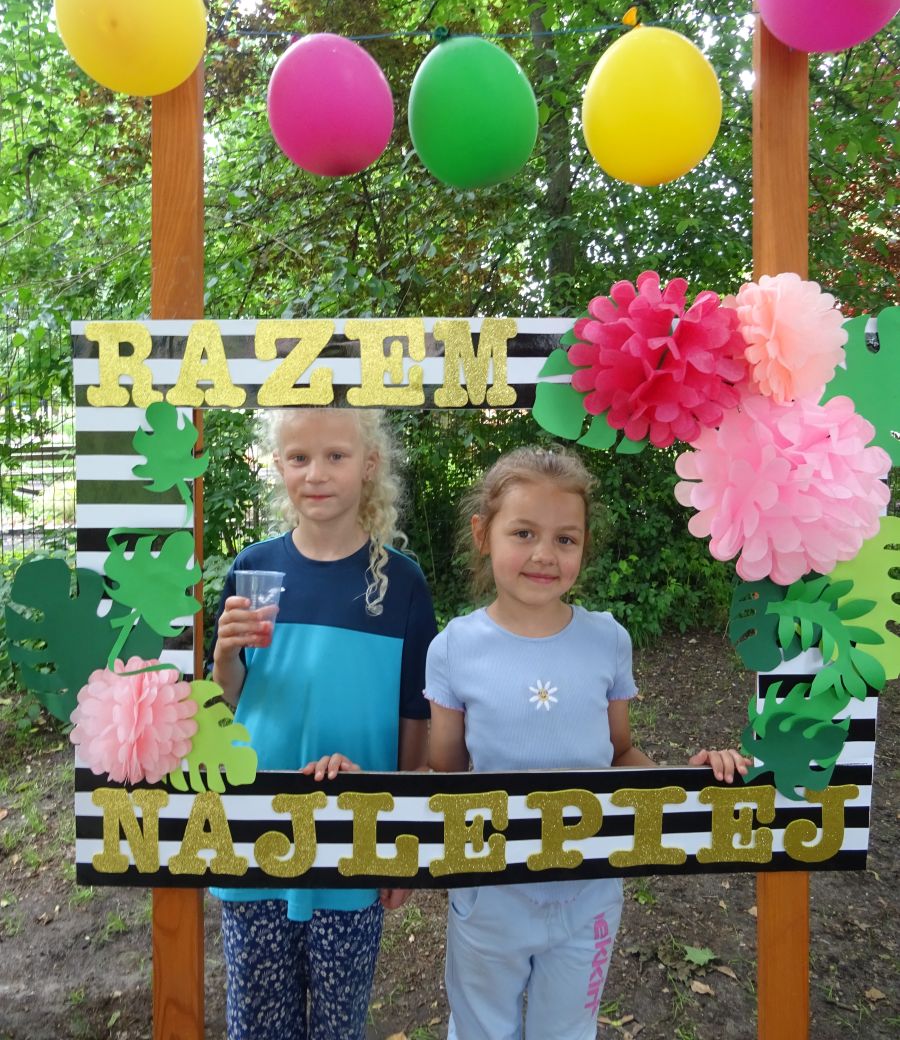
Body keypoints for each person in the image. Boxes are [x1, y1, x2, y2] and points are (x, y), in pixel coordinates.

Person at [426, 445, 748, 1040]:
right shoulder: (452, 647)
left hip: (589, 894)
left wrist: (691, 785)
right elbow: (445, 775)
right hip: (488, 894)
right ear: (482, 534)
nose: (544, 554)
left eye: (565, 539)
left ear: (584, 545)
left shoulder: (608, 640)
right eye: (524, 533)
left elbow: (620, 752)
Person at [210, 407, 436, 1040]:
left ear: (369, 465)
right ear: (278, 466)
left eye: (336, 455)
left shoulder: (401, 584)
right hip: (253, 830)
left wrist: (399, 842)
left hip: (353, 835)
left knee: (339, 1024)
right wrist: (225, 654)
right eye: (299, 457)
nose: (316, 473)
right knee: (257, 1024)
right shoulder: (253, 567)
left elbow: (414, 718)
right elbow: (223, 705)